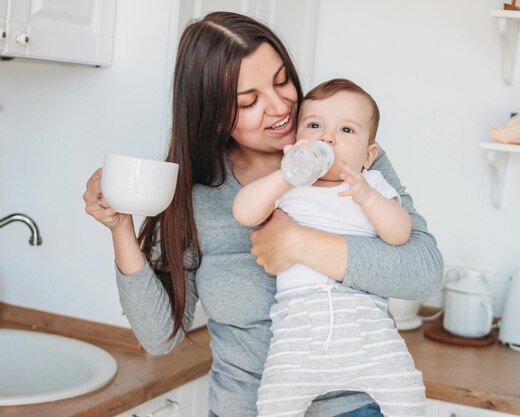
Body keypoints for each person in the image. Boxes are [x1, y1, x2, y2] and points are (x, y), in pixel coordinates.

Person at [82, 11, 443, 417]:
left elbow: (423, 271)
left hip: (354, 406)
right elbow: (160, 336)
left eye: (282, 80)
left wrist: (297, 243)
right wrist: (120, 230)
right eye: (249, 101)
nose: (280, 108)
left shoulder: (350, 155)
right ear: (214, 115)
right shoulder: (197, 193)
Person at [233, 78, 427, 417]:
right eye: (314, 125)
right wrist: (287, 174)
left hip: (368, 333)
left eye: (346, 130)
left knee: (408, 393)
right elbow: (244, 212)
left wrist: (366, 195)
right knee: (275, 402)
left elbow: (400, 234)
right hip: (298, 333)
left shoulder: (373, 185)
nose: (327, 137)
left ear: (369, 155)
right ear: (295, 141)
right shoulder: (289, 187)